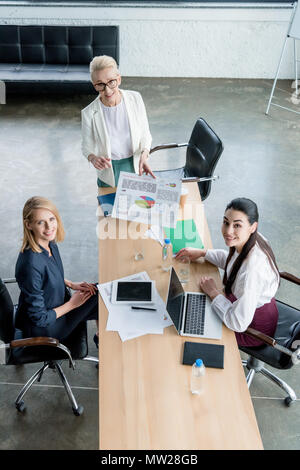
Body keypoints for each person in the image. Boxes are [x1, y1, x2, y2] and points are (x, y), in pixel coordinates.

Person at [175, 197, 280, 347]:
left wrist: (213, 293)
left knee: (192, 334)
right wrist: (203, 252)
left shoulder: (253, 272)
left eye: (237, 225)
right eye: (226, 222)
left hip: (253, 328)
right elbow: (235, 262)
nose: (228, 231)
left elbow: (238, 323)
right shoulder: (251, 239)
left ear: (252, 226)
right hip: (244, 304)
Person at [15, 197, 99, 347]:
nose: (49, 227)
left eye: (52, 219)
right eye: (40, 222)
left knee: (99, 292)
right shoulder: (30, 264)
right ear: (28, 225)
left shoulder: (49, 244)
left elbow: (45, 276)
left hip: (57, 305)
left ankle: (102, 339)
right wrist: (73, 304)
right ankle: (104, 344)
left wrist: (70, 283)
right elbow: (39, 318)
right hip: (45, 330)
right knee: (102, 298)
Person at [81, 55, 155, 188]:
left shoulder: (135, 99)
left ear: (119, 79)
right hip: (108, 170)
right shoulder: (88, 113)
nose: (107, 90)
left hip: (135, 164)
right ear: (94, 86)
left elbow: (145, 134)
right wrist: (93, 158)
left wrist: (145, 153)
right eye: (100, 85)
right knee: (109, 207)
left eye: (111, 82)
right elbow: (86, 146)